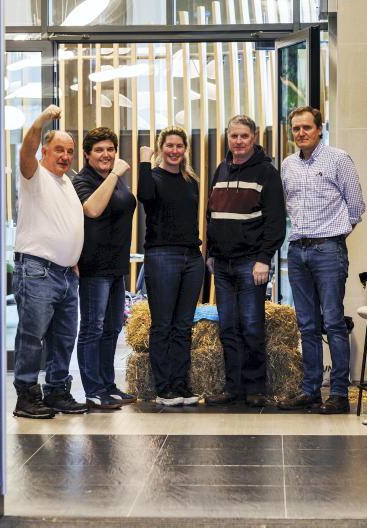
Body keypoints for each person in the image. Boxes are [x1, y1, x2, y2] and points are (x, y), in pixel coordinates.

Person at [278, 106, 366, 414]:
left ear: (319, 129)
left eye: (306, 127)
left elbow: (356, 207)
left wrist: (334, 236)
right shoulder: (287, 165)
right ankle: (310, 390)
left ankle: (339, 394)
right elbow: (288, 205)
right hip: (297, 251)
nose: (301, 133)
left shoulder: (338, 159)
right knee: (307, 325)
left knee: (333, 322)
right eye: (296, 128)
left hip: (328, 249)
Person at [205, 115, 286, 407]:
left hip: (251, 263)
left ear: (253, 137)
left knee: (251, 326)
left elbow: (275, 222)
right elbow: (211, 215)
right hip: (222, 264)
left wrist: (264, 259)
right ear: (227, 138)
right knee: (228, 328)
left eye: (244, 136)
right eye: (233, 136)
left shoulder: (266, 173)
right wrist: (211, 252)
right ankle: (233, 387)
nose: (238, 141)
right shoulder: (221, 169)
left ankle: (255, 388)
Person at [12, 105, 87, 419]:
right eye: (59, 150)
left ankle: (57, 391)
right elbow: (26, 149)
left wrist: (72, 258)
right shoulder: (34, 175)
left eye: (69, 151)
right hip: (37, 270)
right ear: (44, 151)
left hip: (66, 274)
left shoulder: (66, 182)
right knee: (32, 338)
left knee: (64, 339)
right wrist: (42, 120)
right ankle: (26, 397)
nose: (65, 156)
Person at [138, 127, 204, 407]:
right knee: (163, 324)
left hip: (192, 257)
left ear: (185, 149)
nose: (174, 151)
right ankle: (164, 388)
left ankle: (180, 384)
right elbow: (144, 196)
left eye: (179, 146)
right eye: (169, 146)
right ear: (160, 148)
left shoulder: (191, 181)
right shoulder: (152, 178)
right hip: (162, 256)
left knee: (183, 326)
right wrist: (144, 161)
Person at [73, 127, 137, 410]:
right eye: (99, 150)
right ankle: (93, 390)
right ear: (87, 154)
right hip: (94, 267)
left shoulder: (116, 180)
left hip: (116, 266)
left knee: (112, 328)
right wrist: (114, 175)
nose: (106, 154)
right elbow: (92, 210)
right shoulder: (82, 180)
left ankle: (107, 385)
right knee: (93, 328)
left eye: (110, 149)